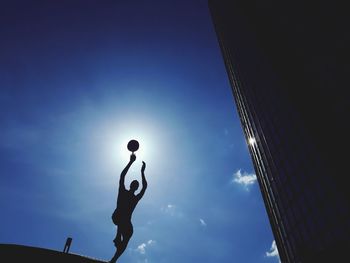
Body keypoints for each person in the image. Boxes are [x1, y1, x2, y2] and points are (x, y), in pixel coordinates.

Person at [109, 153, 147, 263]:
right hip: (117, 217)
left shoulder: (135, 198)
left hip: (126, 223)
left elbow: (144, 187)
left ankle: (114, 259)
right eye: (134, 183)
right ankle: (117, 236)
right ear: (131, 185)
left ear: (135, 187)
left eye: (136, 184)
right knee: (123, 216)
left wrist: (142, 172)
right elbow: (122, 176)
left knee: (127, 238)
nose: (135, 185)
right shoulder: (123, 192)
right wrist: (130, 162)